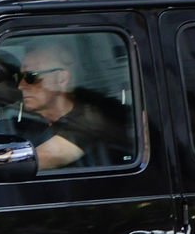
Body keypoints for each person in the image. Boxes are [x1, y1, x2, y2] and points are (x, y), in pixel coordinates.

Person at [13, 38, 131, 170]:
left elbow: (44, 157)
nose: (21, 86)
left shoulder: (88, 121)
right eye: (19, 77)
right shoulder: (35, 127)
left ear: (61, 79)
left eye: (30, 77)